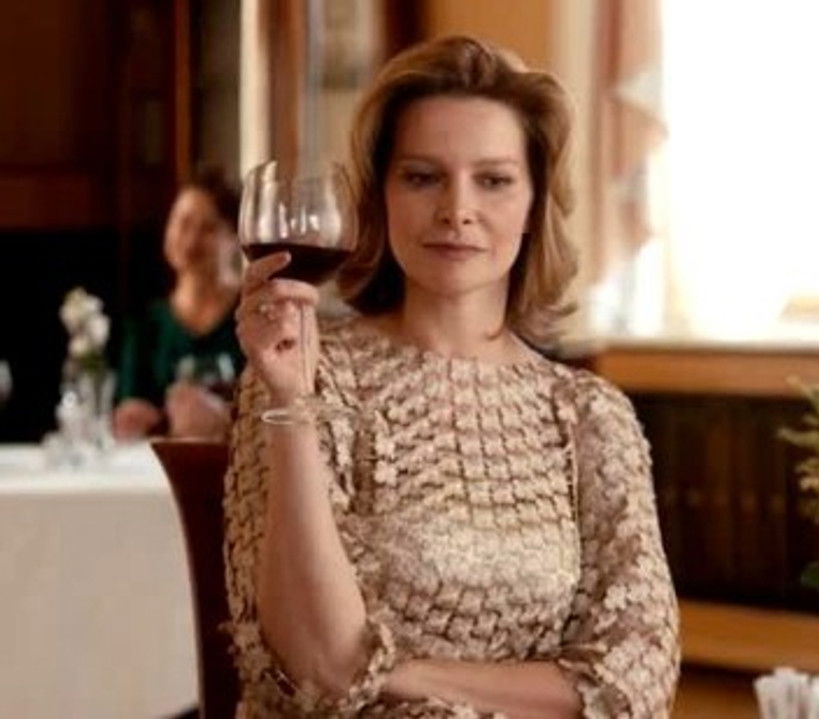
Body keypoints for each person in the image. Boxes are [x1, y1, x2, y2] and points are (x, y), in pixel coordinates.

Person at [224, 36, 680, 717]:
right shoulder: (303, 377)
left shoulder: (591, 414)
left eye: (493, 180)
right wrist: (292, 401)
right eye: (422, 177)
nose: (456, 209)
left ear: (534, 204)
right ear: (380, 197)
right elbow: (313, 668)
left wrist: (396, 673)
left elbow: (636, 682)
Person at [113, 167, 244, 440]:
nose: (191, 240)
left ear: (235, 236)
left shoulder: (253, 314)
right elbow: (130, 405)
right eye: (183, 222)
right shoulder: (146, 322)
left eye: (207, 228)